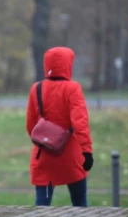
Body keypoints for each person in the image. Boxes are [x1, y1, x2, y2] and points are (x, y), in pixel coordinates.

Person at [26, 47, 94, 207]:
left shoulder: (36, 88)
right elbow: (80, 123)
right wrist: (87, 151)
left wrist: (45, 141)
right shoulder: (73, 88)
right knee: (80, 204)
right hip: (71, 157)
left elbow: (30, 125)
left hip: (44, 157)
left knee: (42, 206)